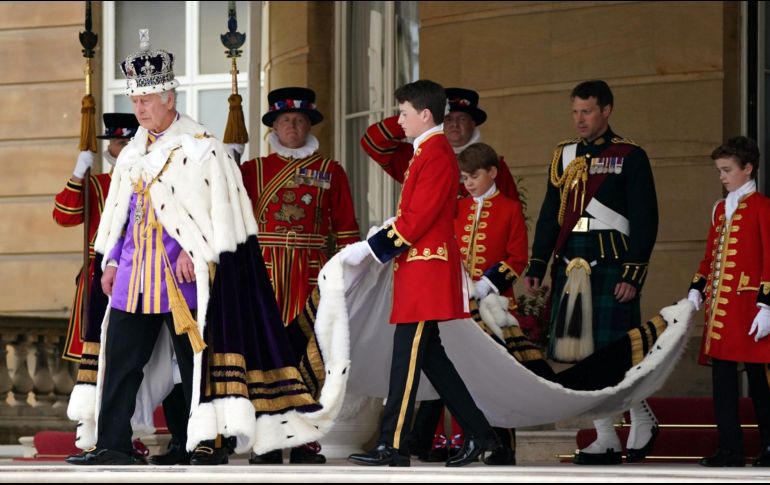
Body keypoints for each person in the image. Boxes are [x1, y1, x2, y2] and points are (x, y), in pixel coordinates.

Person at [66, 30, 338, 466]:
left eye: (148, 100)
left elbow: (221, 216)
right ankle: (112, 444)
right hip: (133, 275)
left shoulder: (203, 149)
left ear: (170, 98)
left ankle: (205, 442)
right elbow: (119, 215)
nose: (140, 109)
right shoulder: (133, 154)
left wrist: (198, 253)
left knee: (195, 366)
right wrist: (111, 259)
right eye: (136, 101)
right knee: (119, 363)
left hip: (182, 277)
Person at [342, 79, 499, 468]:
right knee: (432, 361)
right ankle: (482, 436)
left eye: (404, 113)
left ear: (425, 114)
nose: (399, 121)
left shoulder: (436, 154)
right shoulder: (427, 151)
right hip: (418, 270)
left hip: (426, 271)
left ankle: (392, 444)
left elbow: (416, 220)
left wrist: (371, 248)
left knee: (405, 359)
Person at [523, 80, 659, 465]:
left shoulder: (630, 155)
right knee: (582, 353)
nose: (579, 119)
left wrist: (633, 273)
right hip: (571, 262)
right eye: (575, 112)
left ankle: (641, 413)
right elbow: (551, 215)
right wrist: (537, 263)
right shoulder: (562, 156)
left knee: (616, 351)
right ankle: (604, 437)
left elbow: (645, 218)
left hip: (612, 263)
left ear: (606, 111)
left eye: (587, 111)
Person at [236, 87, 360, 465]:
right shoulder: (252, 170)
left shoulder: (330, 170)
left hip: (311, 276)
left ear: (309, 124)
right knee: (266, 358)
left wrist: (346, 279)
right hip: (266, 277)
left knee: (310, 357)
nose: (293, 126)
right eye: (286, 120)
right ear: (274, 125)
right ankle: (268, 439)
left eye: (300, 120)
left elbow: (346, 229)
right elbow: (235, 226)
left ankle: (304, 438)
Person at [687, 136, 770, 467]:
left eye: (727, 170)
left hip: (751, 311)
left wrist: (767, 306)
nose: (721, 176)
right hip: (721, 310)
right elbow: (710, 257)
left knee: (760, 385)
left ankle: (769, 446)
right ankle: (730, 449)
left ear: (747, 169)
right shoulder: (720, 209)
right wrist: (696, 287)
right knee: (722, 383)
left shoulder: (763, 206)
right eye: (719, 170)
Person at [451, 142, 528, 466]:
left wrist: (488, 283)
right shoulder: (458, 208)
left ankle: (503, 445)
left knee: (498, 375)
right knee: (464, 374)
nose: (468, 183)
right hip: (461, 306)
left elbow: (518, 257)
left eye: (474, 176)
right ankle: (468, 437)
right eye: (464, 177)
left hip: (496, 305)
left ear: (492, 172)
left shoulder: (510, 208)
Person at [54, 112, 138, 362]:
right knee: (96, 356)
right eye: (120, 143)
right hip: (99, 277)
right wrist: (79, 173)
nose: (125, 150)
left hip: (142, 271)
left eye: (131, 143)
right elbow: (63, 216)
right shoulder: (97, 185)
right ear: (110, 147)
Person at [361, 87, 521, 202]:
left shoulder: (494, 164)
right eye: (448, 119)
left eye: (462, 119)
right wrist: (418, 120)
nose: (454, 125)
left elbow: (512, 218)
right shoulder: (418, 158)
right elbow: (373, 141)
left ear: (473, 124)